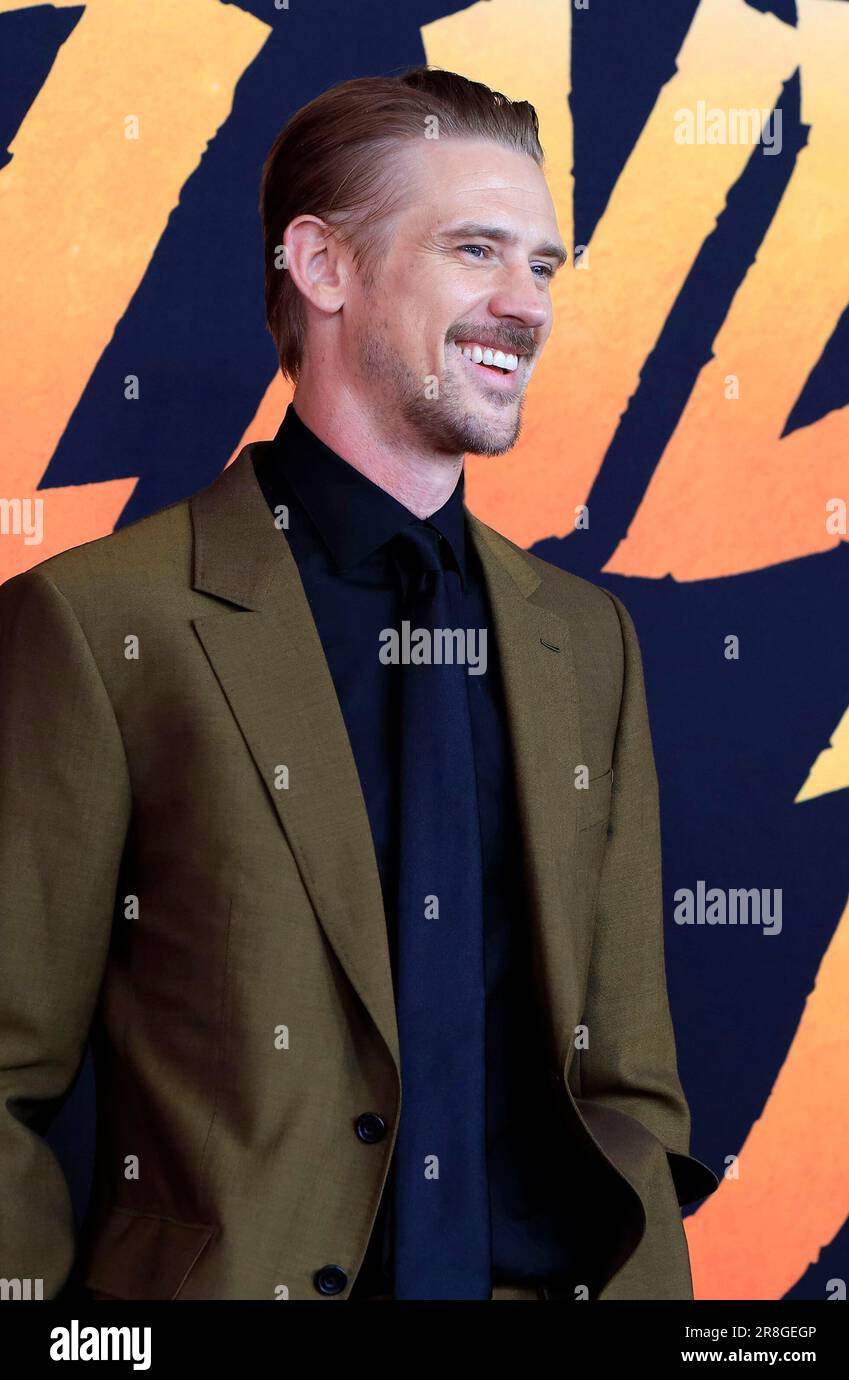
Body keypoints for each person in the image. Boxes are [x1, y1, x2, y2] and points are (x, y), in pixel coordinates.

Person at [0, 65, 717, 1302]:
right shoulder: (100, 624)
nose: (525, 305)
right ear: (322, 268)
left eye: (541, 266)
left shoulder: (586, 642)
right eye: (476, 249)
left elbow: (625, 1086)